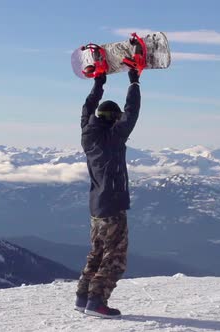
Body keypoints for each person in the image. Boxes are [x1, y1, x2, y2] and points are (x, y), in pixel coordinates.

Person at [74, 68, 141, 319]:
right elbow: (131, 114)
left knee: (97, 252)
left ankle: (83, 297)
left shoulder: (87, 134)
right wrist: (134, 82)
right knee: (115, 257)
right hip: (112, 206)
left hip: (96, 207)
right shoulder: (114, 138)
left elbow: (86, 109)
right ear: (113, 118)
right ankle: (97, 302)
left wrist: (98, 83)